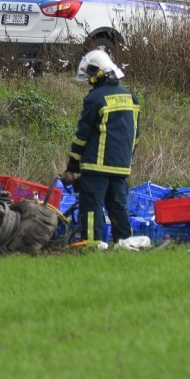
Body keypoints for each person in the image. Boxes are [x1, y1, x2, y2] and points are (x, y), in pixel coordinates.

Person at [63, 49, 140, 245]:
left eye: (89, 76)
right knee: (118, 206)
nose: (88, 81)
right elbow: (136, 136)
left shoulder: (95, 98)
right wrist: (127, 158)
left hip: (96, 166)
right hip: (121, 165)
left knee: (92, 205)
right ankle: (125, 242)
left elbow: (82, 136)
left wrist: (72, 166)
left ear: (98, 74)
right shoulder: (132, 98)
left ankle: (92, 244)